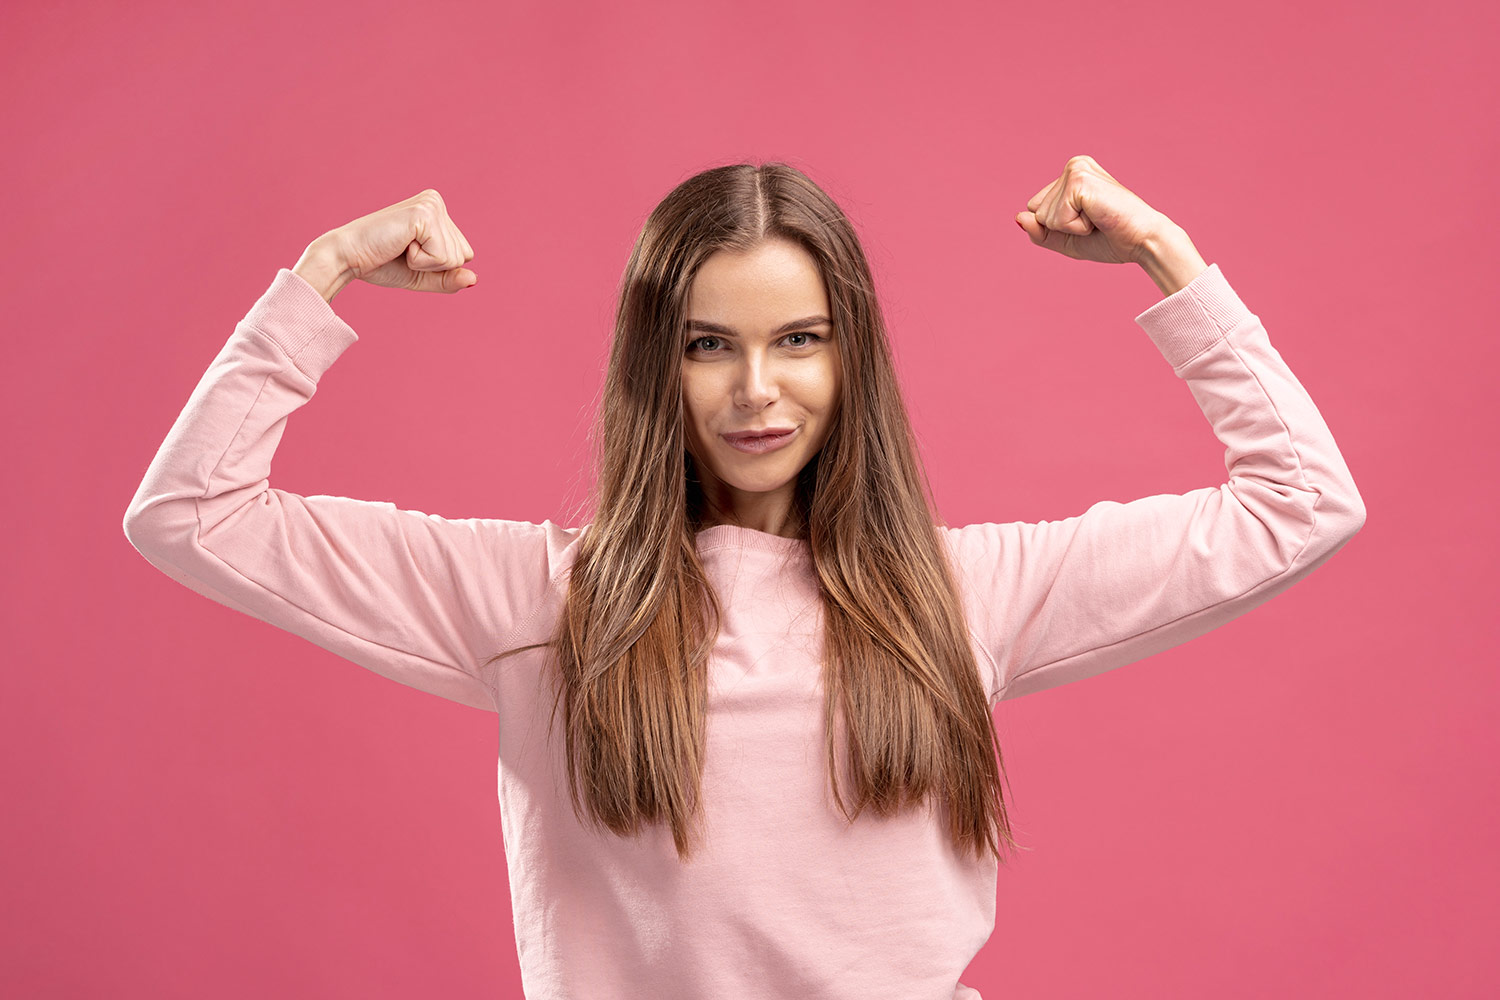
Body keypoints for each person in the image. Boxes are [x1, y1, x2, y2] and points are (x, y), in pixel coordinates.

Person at [122, 158, 1366, 1000]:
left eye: (799, 340)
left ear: (851, 357)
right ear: (653, 366)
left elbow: (1301, 500)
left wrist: (1165, 254)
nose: (757, 389)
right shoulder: (536, 604)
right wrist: (323, 272)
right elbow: (194, 510)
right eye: (710, 344)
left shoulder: (967, 595)